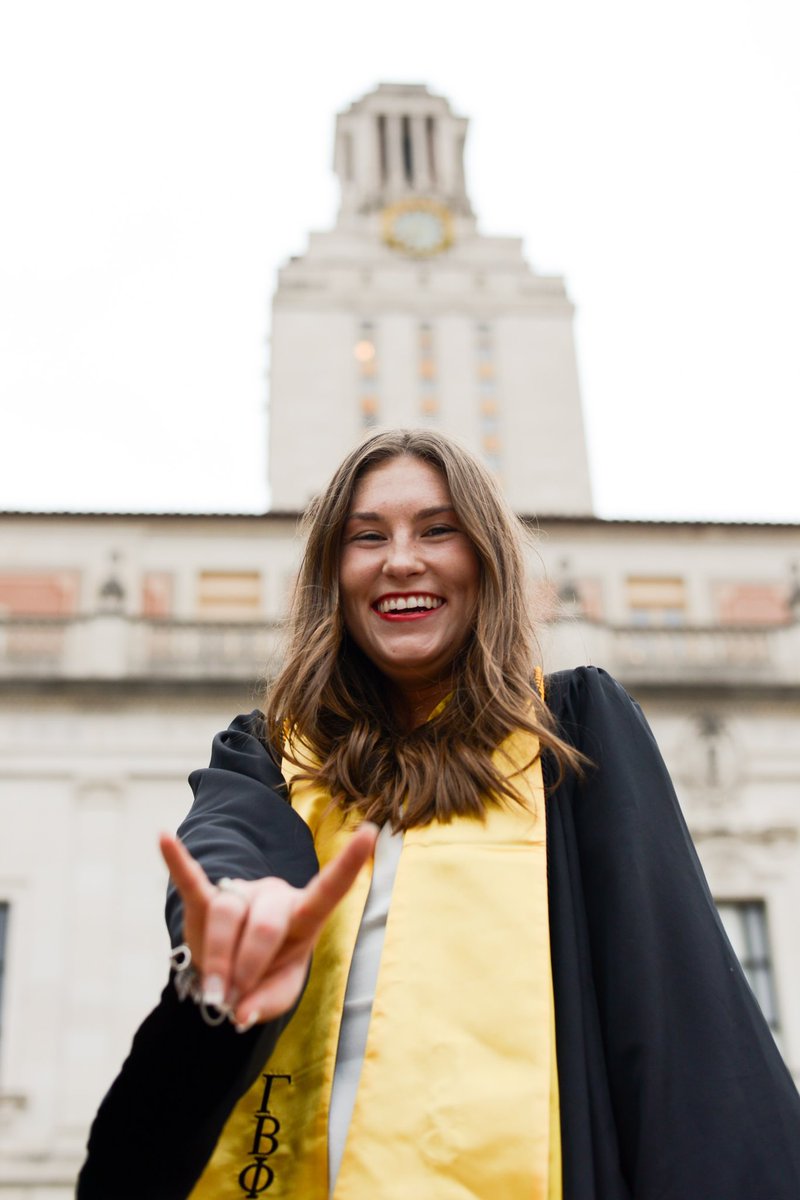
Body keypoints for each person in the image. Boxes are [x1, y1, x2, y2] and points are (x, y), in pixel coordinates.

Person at [78, 429, 800, 1200]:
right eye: (366, 537)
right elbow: (235, 839)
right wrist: (237, 910)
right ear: (332, 575)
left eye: (437, 529)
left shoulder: (571, 729)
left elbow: (671, 1016)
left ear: (484, 556)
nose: (401, 560)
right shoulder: (269, 753)